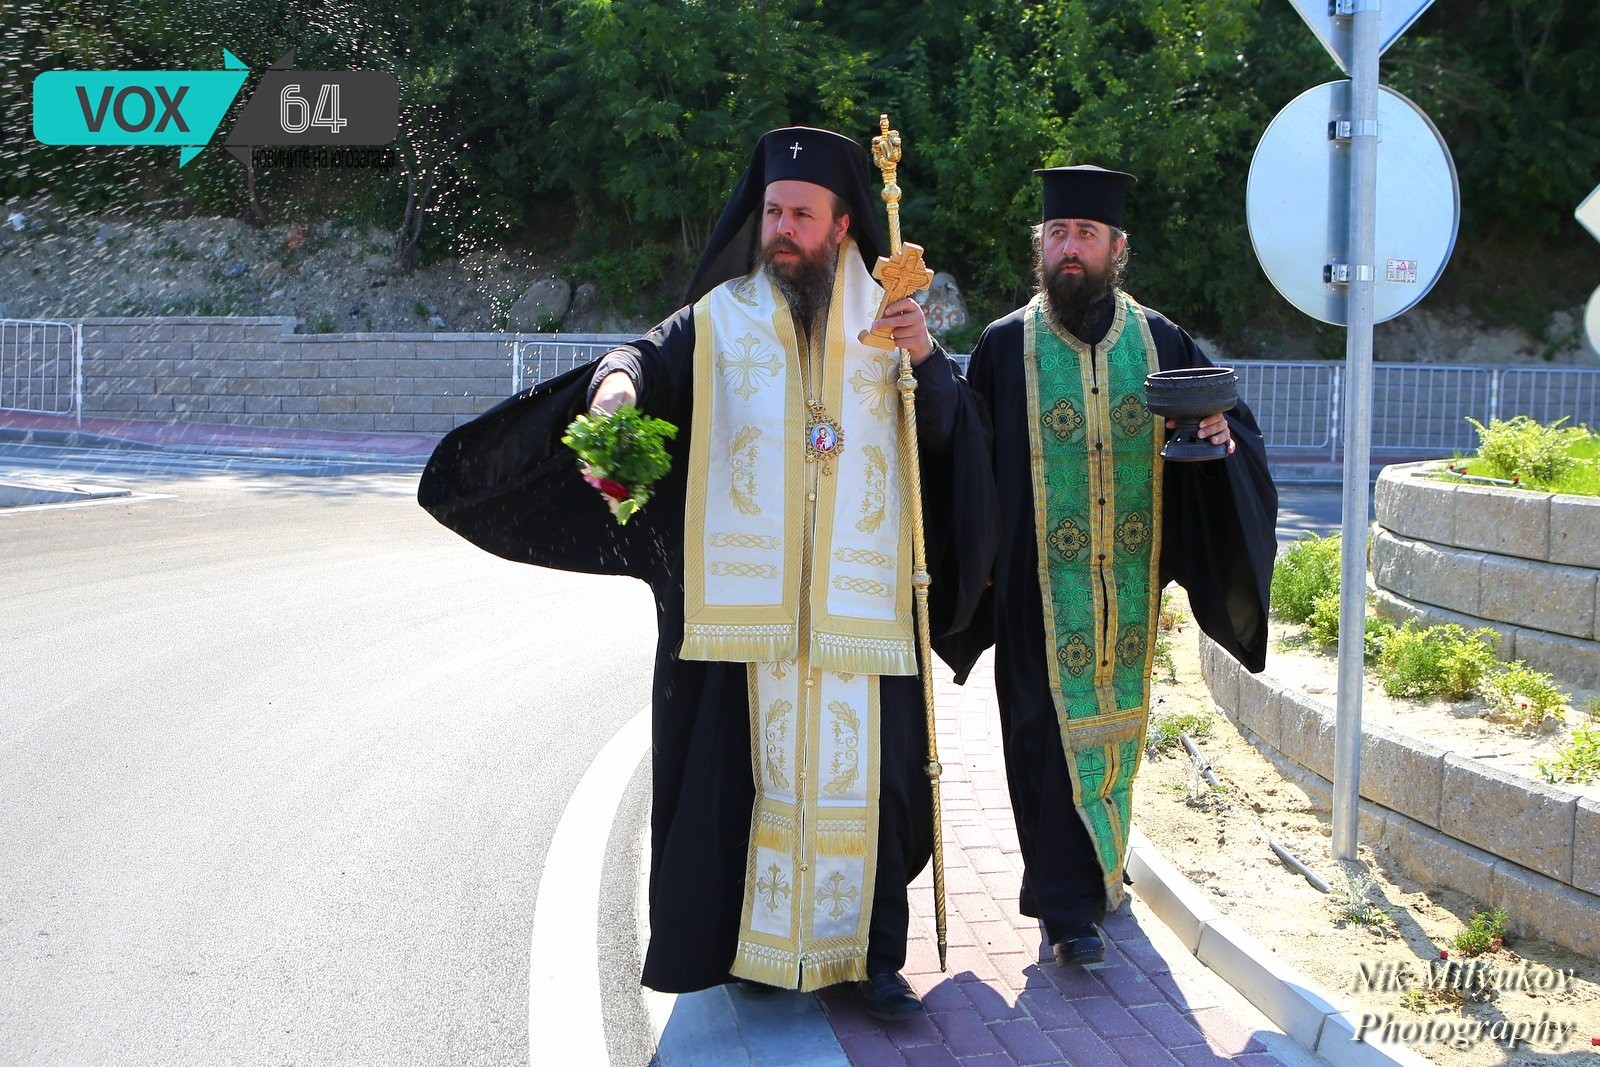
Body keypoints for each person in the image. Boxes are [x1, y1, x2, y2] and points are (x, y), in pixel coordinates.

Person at [417, 126, 995, 1019]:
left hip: (864, 607)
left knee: (876, 790)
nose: (783, 230)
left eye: (802, 215)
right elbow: (642, 356)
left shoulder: (891, 319)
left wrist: (926, 361)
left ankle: (875, 961)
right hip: (749, 610)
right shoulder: (723, 317)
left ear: (843, 224)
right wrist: (614, 390)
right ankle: (759, 953)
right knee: (750, 784)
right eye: (773, 212)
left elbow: (953, 443)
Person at [963, 165, 1277, 968]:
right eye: (1058, 234)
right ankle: (1065, 908)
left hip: (1129, 588)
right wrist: (980, 562)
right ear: (1041, 246)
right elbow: (964, 464)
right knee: (1041, 738)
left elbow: (1226, 423)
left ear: (1116, 246)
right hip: (1035, 590)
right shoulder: (1003, 345)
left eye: (1087, 234)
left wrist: (1218, 436)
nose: (1071, 248)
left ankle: (1101, 868)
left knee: (1117, 734)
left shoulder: (1159, 341)